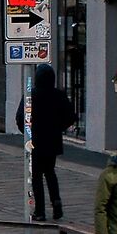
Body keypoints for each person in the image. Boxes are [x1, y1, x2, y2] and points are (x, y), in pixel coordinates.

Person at [20, 65, 77, 222]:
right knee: (50, 172)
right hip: (52, 140)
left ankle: (40, 211)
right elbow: (71, 116)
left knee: (36, 176)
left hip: (35, 141)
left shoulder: (31, 95)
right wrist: (58, 127)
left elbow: (20, 117)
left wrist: (27, 133)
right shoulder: (58, 95)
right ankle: (56, 204)